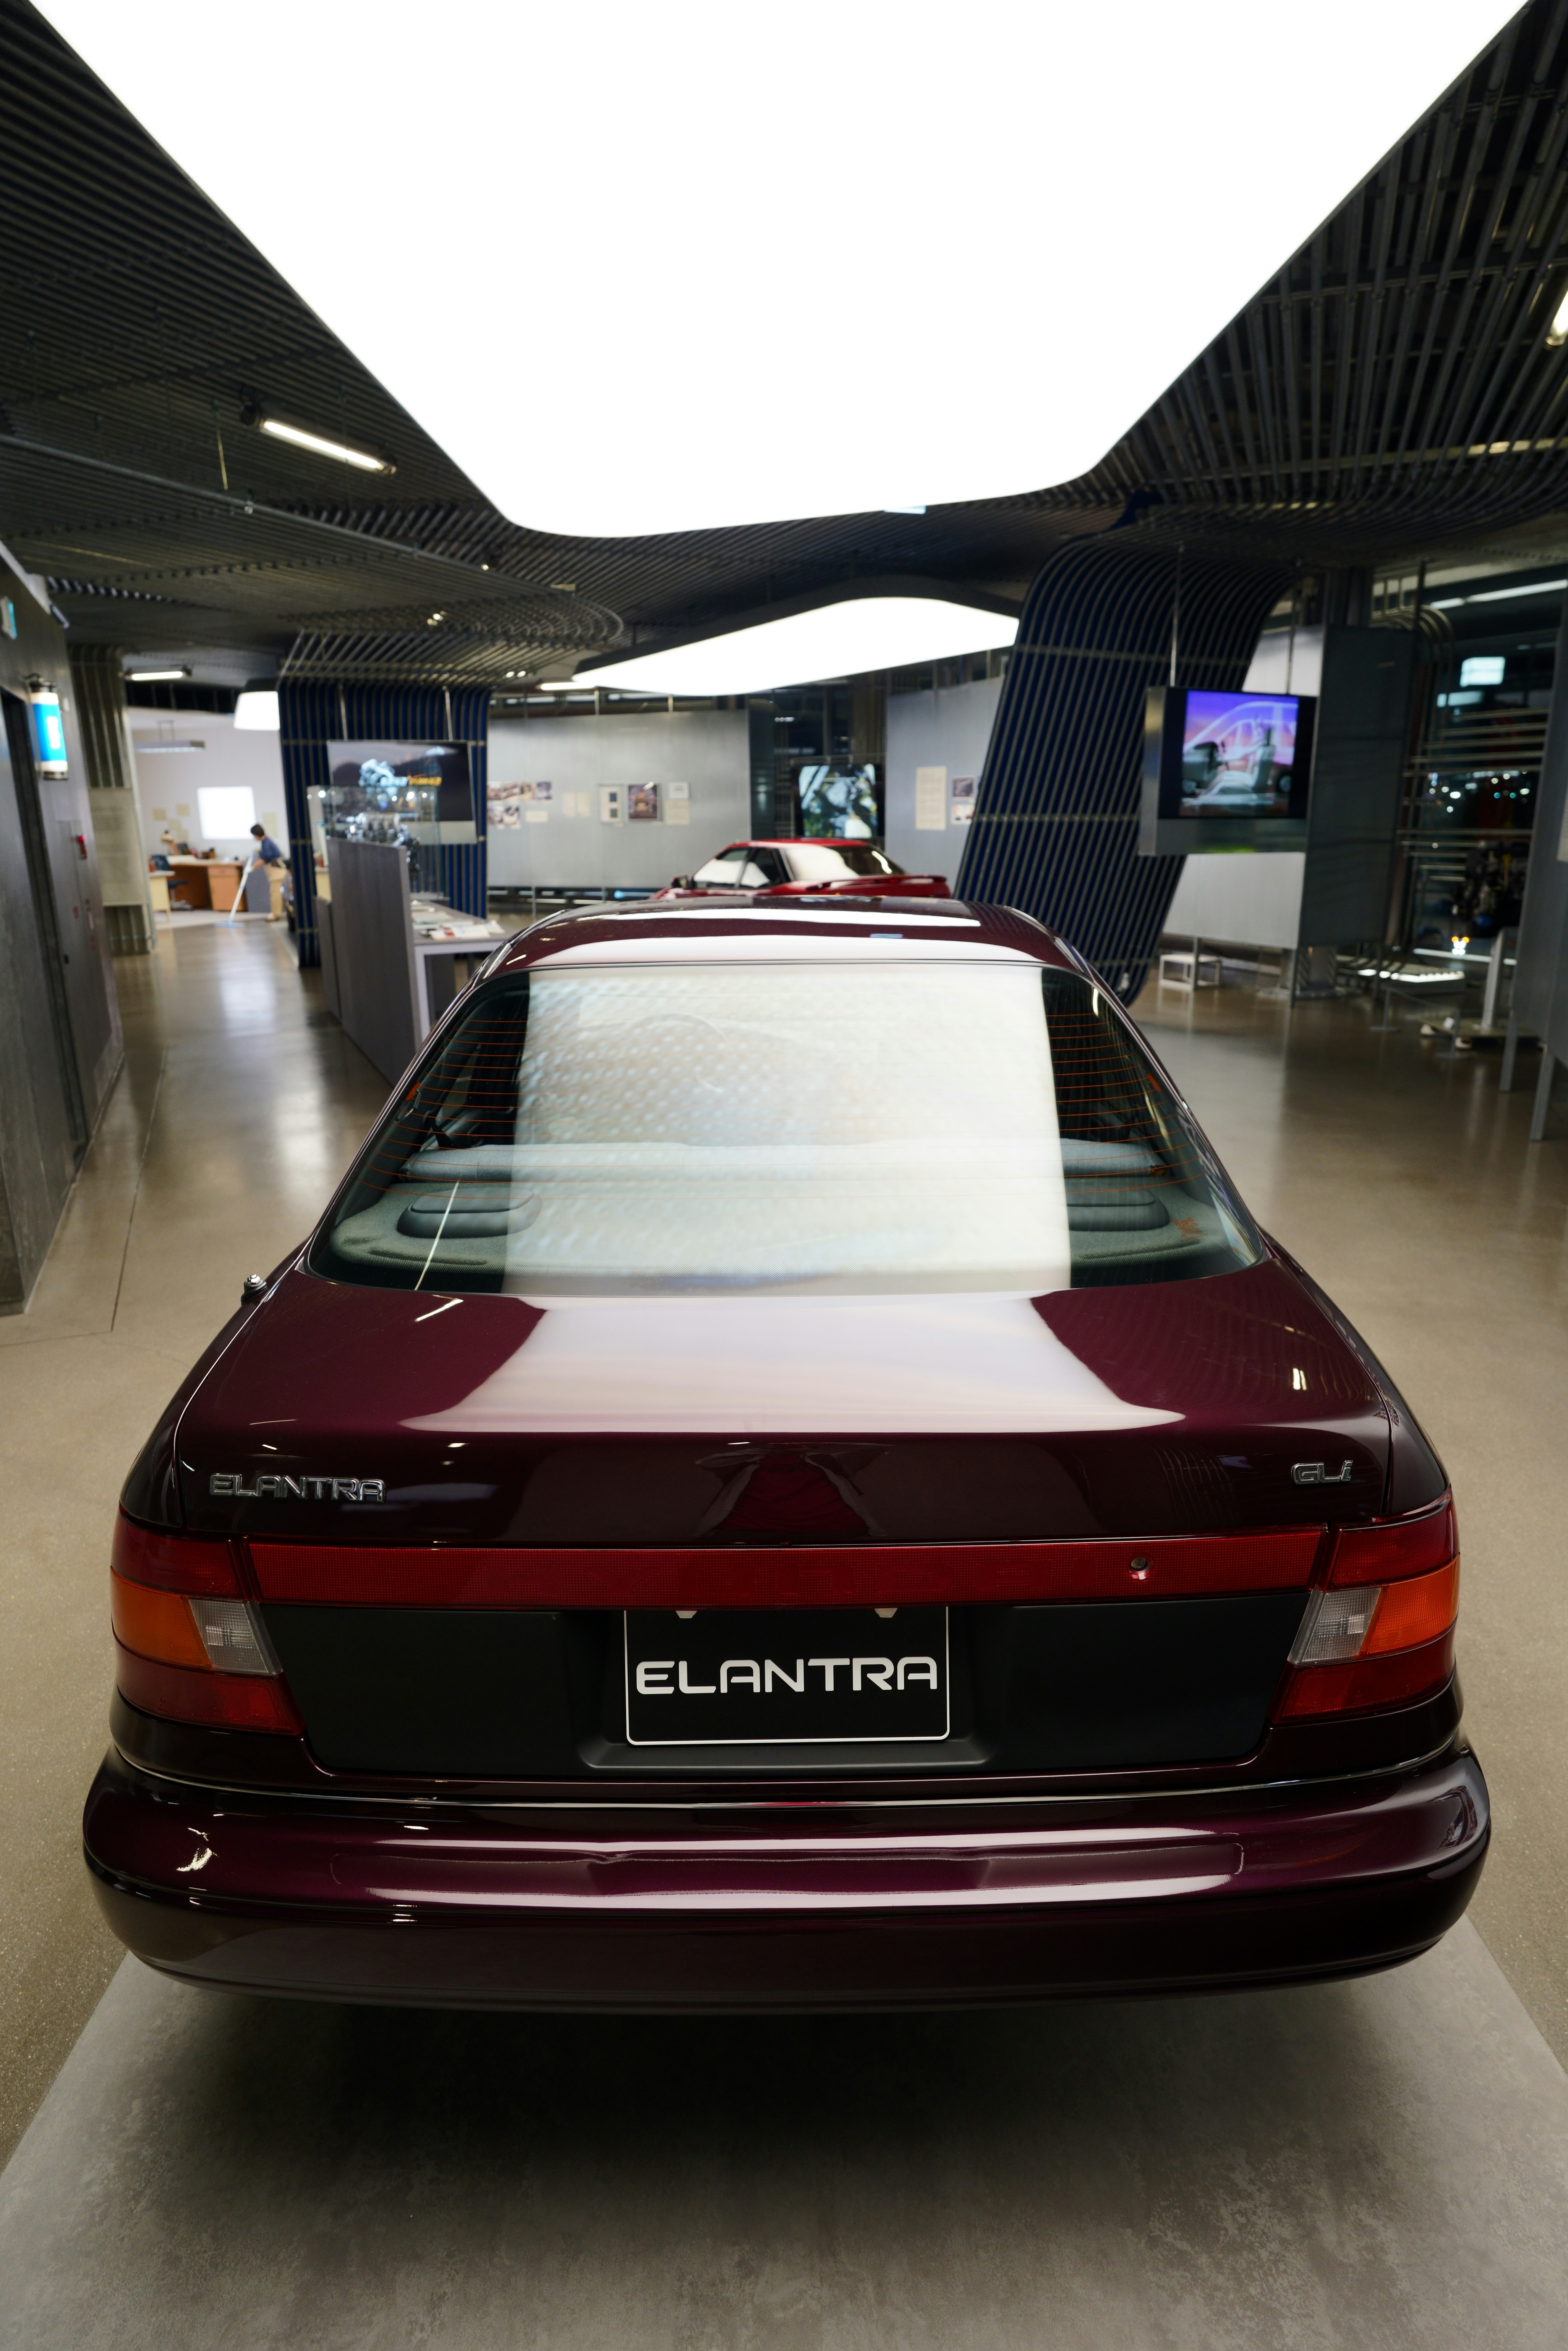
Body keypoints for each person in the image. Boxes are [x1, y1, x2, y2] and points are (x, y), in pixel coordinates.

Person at [249, 822, 288, 922]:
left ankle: (276, 915)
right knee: (278, 894)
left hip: (277, 872)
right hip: (276, 872)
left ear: (257, 835)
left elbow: (264, 859)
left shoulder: (267, 844)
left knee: (275, 894)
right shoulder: (266, 842)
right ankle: (279, 912)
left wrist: (252, 868)